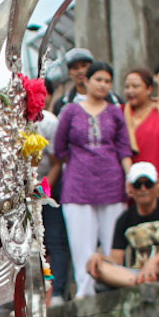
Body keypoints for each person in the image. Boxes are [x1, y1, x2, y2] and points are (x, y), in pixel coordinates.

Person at [48, 61, 134, 299]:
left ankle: (112, 288)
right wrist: (80, 163)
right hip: (77, 184)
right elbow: (59, 148)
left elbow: (124, 148)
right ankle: (85, 292)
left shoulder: (115, 112)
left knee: (112, 241)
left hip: (112, 183)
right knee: (81, 243)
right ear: (87, 81)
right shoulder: (70, 112)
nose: (103, 85)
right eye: (99, 80)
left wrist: (130, 176)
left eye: (108, 81)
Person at [88, 163, 159, 290]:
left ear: (157, 186)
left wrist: (154, 262)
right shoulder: (124, 219)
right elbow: (116, 259)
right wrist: (99, 256)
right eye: (138, 185)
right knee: (98, 267)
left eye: (148, 184)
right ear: (131, 188)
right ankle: (139, 281)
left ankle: (139, 280)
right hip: (133, 272)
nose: (143, 189)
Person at [120, 68, 159, 199]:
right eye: (127, 87)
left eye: (135, 86)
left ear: (149, 89)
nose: (130, 91)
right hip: (131, 184)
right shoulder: (120, 113)